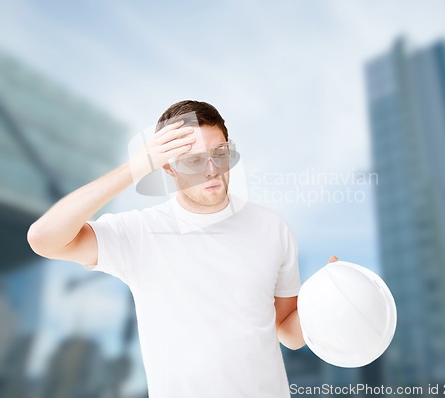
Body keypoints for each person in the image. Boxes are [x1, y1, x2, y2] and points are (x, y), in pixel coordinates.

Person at [27, 100, 338, 398]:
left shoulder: (272, 227)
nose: (213, 169)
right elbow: (44, 239)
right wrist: (134, 169)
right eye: (194, 160)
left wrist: (328, 298)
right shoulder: (139, 232)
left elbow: (287, 332)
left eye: (220, 154)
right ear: (167, 167)